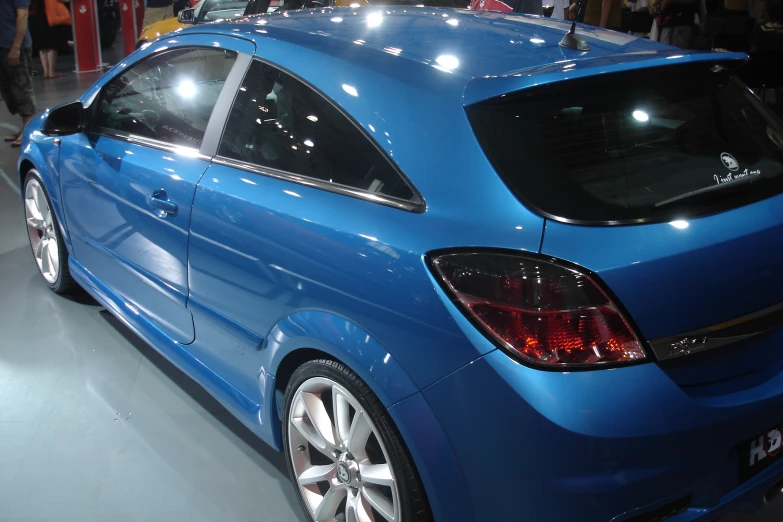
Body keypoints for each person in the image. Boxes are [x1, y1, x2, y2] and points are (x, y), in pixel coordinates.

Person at [0, 0, 37, 148]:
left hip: (15, 45)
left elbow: (22, 16)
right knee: (8, 90)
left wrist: (16, 47)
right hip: (2, 45)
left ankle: (29, 129)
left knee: (22, 87)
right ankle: (24, 127)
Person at [29, 0, 68, 79]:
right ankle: (51, 72)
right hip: (50, 14)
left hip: (35, 15)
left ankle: (46, 72)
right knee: (52, 42)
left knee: (41, 44)